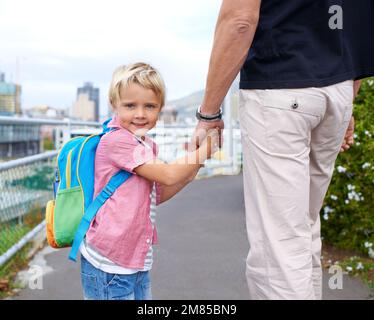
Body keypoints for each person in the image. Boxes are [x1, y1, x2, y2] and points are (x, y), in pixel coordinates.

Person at [193, 0, 374, 299]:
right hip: (337, 90)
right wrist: (346, 100)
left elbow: (240, 18)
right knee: (303, 225)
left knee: (278, 246)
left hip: (280, 87)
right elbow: (361, 24)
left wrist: (209, 114)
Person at [80, 62, 219, 300]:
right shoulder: (118, 142)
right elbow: (167, 174)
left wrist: (190, 170)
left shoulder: (143, 144)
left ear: (160, 109)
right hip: (109, 264)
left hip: (134, 260)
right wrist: (205, 151)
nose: (140, 114)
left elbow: (157, 194)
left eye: (150, 106)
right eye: (130, 105)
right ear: (114, 105)